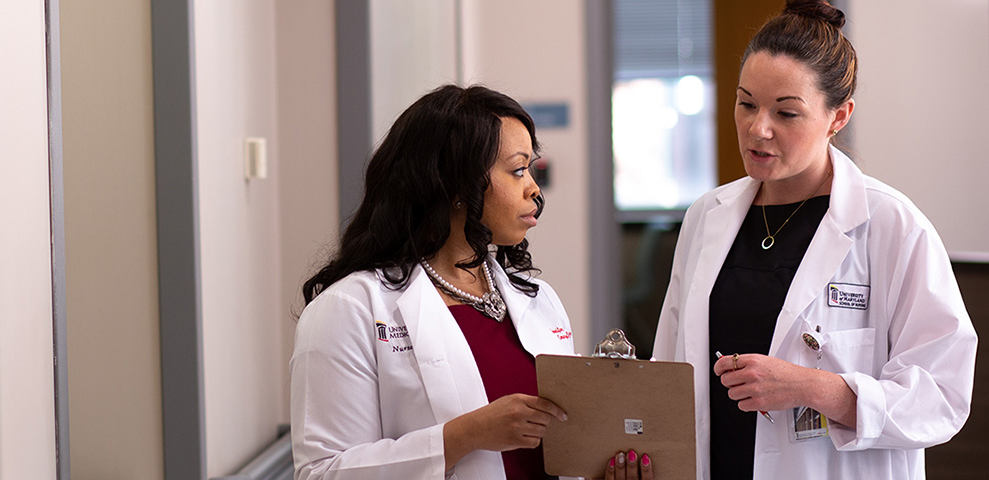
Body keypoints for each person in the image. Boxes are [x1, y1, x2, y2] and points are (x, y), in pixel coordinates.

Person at [651, 1, 977, 479]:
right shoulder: (707, 217)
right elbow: (670, 371)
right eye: (746, 104)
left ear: (838, 116)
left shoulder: (892, 226)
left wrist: (816, 388)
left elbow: (944, 397)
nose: (757, 129)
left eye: (786, 113)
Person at [292, 84, 654, 480]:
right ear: (457, 186)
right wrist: (465, 435)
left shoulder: (537, 300)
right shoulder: (350, 309)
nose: (534, 187)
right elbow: (321, 472)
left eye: (530, 169)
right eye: (517, 170)